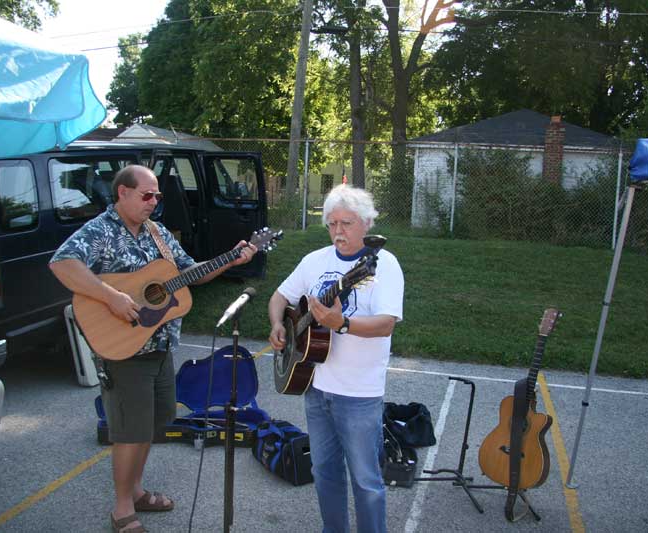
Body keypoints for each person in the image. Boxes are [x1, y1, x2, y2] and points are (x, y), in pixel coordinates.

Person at [49, 164, 256, 533]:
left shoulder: (157, 234)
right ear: (123, 193)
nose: (154, 202)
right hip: (123, 349)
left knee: (155, 423)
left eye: (157, 195)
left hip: (159, 346)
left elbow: (192, 271)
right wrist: (111, 296)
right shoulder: (100, 231)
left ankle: (137, 489)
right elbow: (62, 264)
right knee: (130, 431)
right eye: (147, 195)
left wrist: (230, 259)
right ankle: (122, 508)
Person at [268, 184, 404, 533]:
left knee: (365, 479)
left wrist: (340, 322)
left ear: (367, 223)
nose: (338, 231)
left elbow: (386, 325)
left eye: (347, 223)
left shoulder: (381, 264)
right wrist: (277, 326)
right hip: (315, 386)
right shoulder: (314, 261)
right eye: (332, 224)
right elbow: (279, 298)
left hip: (359, 394)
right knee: (324, 472)